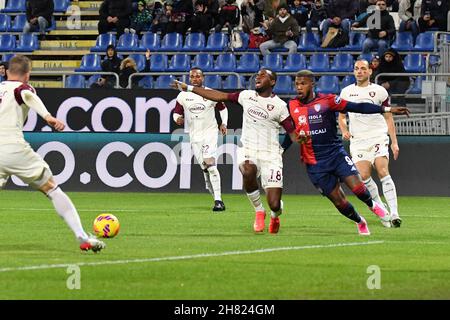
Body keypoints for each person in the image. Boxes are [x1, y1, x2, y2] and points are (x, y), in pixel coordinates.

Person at [171, 68, 299, 234]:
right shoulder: (246, 95)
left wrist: (286, 147)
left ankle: (275, 215)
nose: (258, 77)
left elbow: (292, 132)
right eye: (257, 74)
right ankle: (259, 211)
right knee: (247, 170)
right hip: (248, 148)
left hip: (270, 154)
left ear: (272, 82)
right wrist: (188, 88)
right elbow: (220, 96)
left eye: (263, 75)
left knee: (275, 203)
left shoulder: (280, 106)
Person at [0, 55, 105, 252]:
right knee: (51, 188)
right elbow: (27, 95)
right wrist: (47, 116)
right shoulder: (22, 87)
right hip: (12, 147)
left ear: (6, 71)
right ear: (27, 75)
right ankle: (82, 236)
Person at [285, 70, 409, 235]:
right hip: (314, 163)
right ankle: (360, 221)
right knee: (339, 201)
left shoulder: (328, 100)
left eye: (303, 84)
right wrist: (283, 149)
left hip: (336, 155)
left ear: (312, 84)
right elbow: (290, 132)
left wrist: (387, 109)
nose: (299, 87)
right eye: (296, 84)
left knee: (358, 187)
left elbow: (358, 107)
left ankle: (374, 206)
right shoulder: (292, 105)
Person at [338, 60, 402, 227]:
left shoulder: (379, 91)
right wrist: (344, 130)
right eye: (356, 69)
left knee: (382, 170)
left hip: (378, 136)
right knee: (364, 176)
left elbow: (388, 117)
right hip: (358, 140)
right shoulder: (346, 92)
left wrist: (394, 142)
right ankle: (383, 211)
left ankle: (394, 213)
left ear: (370, 72)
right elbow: (341, 116)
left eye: (363, 69)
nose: (359, 72)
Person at [172, 68, 228, 212]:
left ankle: (219, 201)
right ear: (189, 79)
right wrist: (177, 118)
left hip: (210, 133)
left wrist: (224, 123)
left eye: (198, 76)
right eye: (192, 77)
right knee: (205, 168)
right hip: (194, 136)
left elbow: (223, 108)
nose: (195, 79)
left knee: (211, 165)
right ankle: (212, 190)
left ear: (203, 78)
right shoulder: (183, 95)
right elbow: (176, 111)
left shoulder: (210, 93)